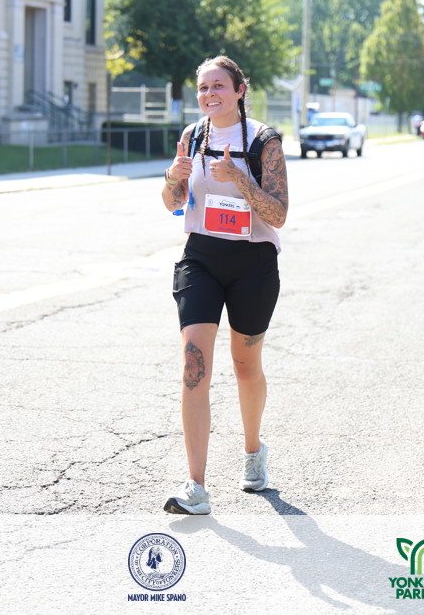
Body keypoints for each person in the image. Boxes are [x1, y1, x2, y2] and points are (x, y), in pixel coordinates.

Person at [160, 56, 289, 515]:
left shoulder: (263, 141)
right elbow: (173, 203)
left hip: (253, 263)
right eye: (202, 87)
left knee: (245, 365)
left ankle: (253, 452)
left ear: (239, 90)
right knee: (193, 364)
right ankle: (196, 486)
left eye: (218, 86)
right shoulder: (194, 136)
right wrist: (173, 179)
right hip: (201, 257)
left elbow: (278, 214)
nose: (209, 94)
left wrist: (239, 178)